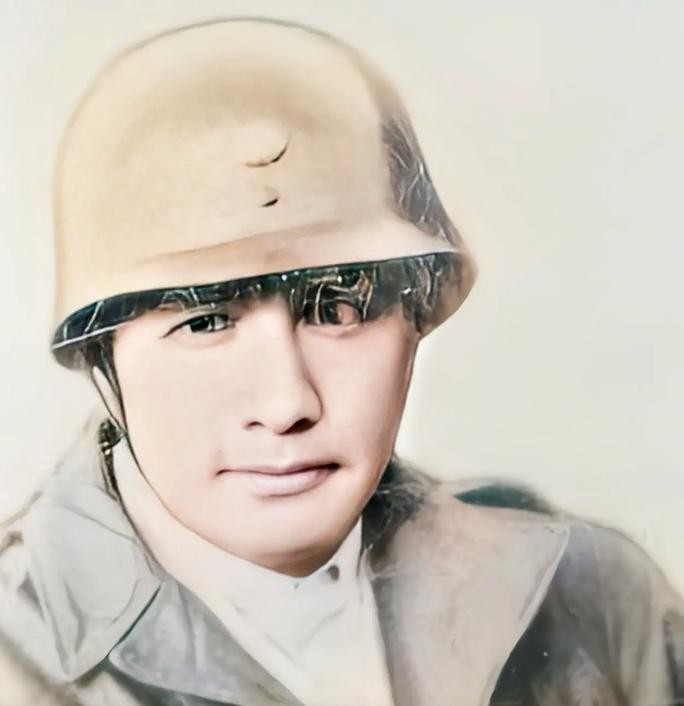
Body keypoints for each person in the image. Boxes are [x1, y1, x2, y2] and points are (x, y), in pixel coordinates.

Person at [0, 17, 682, 706]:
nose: (287, 403)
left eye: (338, 309)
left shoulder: (598, 601)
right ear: (103, 359)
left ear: (416, 319)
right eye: (205, 322)